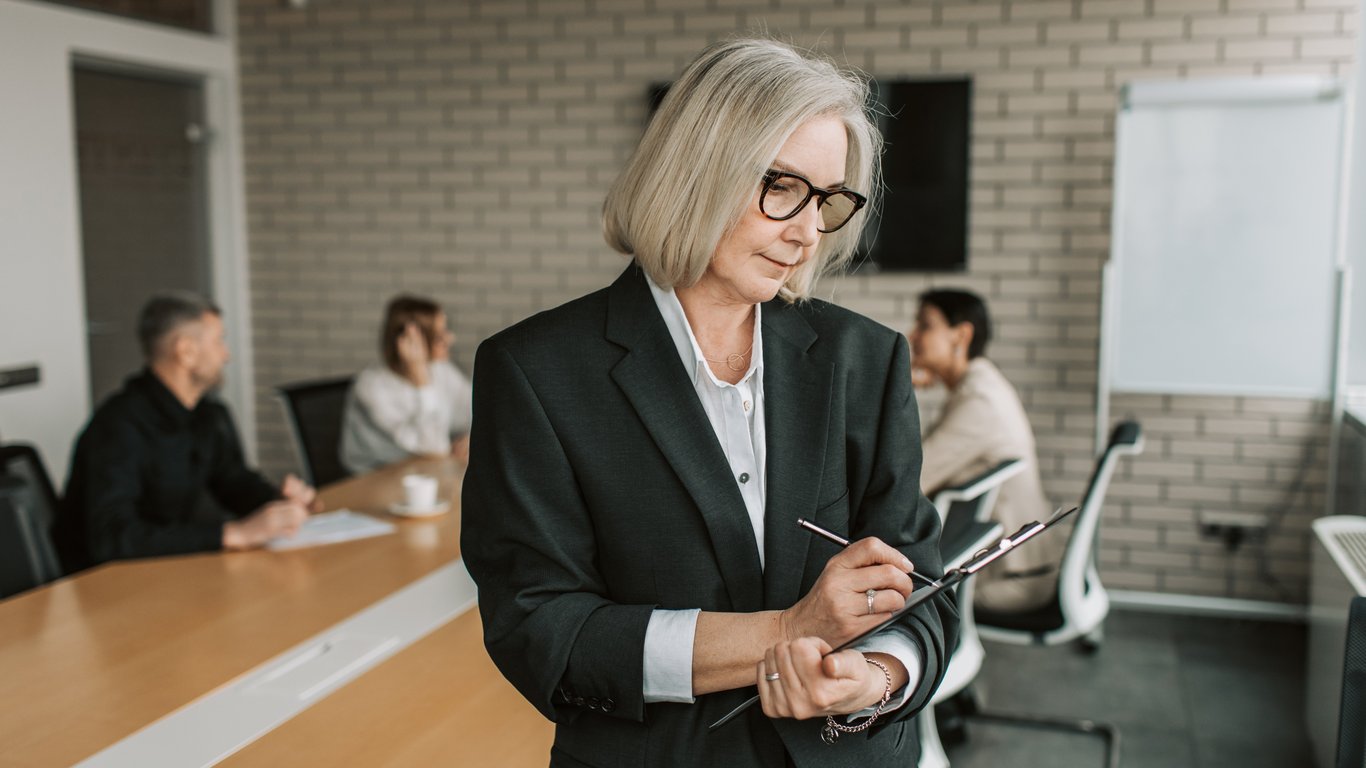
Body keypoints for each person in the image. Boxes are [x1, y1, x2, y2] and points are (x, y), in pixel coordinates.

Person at [461, 39, 956, 768]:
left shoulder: (866, 360)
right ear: (696, 171)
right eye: (781, 186)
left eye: (828, 200)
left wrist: (874, 677)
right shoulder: (536, 371)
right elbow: (540, 630)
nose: (807, 232)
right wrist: (785, 630)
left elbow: (923, 588)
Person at [54, 292, 319, 574]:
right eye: (218, 341)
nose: (226, 355)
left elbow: (232, 481)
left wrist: (280, 505)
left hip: (168, 569)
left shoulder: (209, 414)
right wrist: (232, 534)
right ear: (186, 351)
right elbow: (113, 537)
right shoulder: (118, 425)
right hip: (102, 586)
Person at [908, 289, 1061, 613]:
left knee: (887, 607)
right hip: (1012, 569)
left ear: (961, 335)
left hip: (1011, 581)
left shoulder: (979, 401)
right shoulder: (979, 385)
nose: (913, 335)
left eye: (925, 325)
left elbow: (911, 480)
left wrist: (898, 392)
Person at [339, 295, 472, 474]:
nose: (450, 339)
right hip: (375, 479)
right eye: (440, 335)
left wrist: (471, 437)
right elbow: (435, 449)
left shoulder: (441, 370)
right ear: (411, 341)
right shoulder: (372, 387)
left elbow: (478, 410)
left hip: (423, 473)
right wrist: (421, 380)